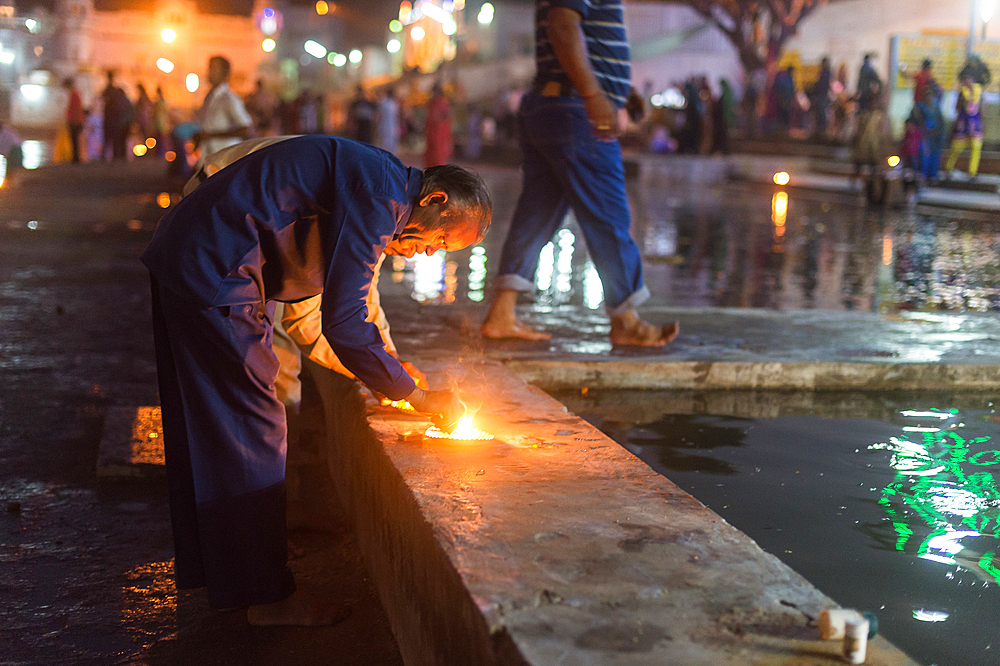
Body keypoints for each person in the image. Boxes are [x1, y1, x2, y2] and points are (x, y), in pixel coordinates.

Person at [141, 135, 491, 625]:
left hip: (199, 256)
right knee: (254, 425)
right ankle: (266, 599)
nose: (428, 254)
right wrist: (413, 393)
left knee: (214, 428)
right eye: (440, 241)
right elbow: (345, 321)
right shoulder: (382, 196)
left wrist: (390, 372)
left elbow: (335, 304)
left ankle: (230, 573)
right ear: (434, 200)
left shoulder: (379, 181)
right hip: (215, 263)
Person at [480, 0, 678, 346]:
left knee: (537, 213)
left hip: (555, 104)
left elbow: (582, 37)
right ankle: (626, 320)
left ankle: (501, 312)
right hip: (575, 111)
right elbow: (562, 27)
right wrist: (594, 93)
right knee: (609, 212)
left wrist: (619, 90)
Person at [193, 55, 251, 165]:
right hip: (208, 158)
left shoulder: (229, 99)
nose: (209, 72)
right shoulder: (209, 97)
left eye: (213, 68)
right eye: (209, 68)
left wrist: (211, 135)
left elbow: (245, 130)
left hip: (224, 160)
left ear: (225, 73)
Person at [944, 72, 984, 180]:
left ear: (971, 79)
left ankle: (972, 172)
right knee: (956, 147)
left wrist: (981, 122)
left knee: (976, 147)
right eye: (964, 80)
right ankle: (948, 169)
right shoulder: (962, 93)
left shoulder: (979, 91)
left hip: (975, 123)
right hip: (963, 123)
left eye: (967, 79)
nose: (966, 82)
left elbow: (981, 107)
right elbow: (957, 107)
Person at [101, 70, 132, 160]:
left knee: (109, 138)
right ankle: (116, 156)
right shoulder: (114, 91)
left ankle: (108, 156)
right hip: (115, 118)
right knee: (115, 139)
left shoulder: (107, 91)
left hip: (111, 117)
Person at [424, 82, 453, 167]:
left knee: (439, 153)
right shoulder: (431, 102)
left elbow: (447, 114)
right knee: (431, 152)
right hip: (431, 131)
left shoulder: (443, 101)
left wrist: (439, 120)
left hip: (440, 131)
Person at [63, 78, 85, 164]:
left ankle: (75, 158)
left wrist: (74, 120)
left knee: (74, 140)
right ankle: (75, 157)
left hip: (74, 122)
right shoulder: (75, 94)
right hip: (76, 121)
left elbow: (75, 109)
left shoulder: (74, 95)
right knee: (74, 140)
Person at [377, 87, 400, 154]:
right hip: (385, 127)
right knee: (386, 145)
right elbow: (379, 115)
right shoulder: (384, 103)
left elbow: (397, 116)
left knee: (393, 145)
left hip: (393, 127)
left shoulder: (395, 103)